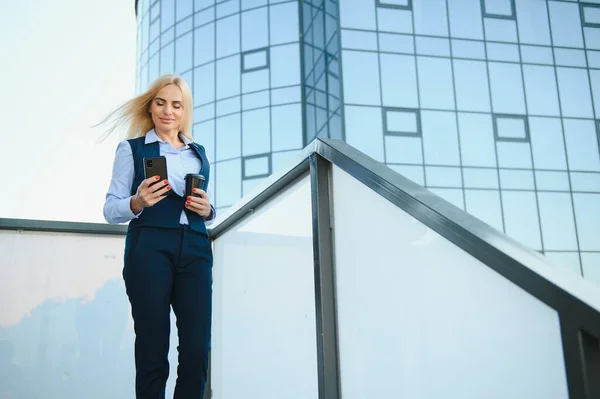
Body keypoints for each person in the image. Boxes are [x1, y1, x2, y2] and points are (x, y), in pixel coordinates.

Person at [101, 74, 215, 398]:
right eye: (161, 103)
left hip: (195, 248)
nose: (168, 111)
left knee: (196, 352)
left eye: (176, 105)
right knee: (153, 352)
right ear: (150, 107)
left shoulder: (199, 153)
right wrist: (137, 202)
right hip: (149, 248)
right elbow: (110, 209)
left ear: (185, 110)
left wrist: (208, 210)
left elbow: (206, 206)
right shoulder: (131, 149)